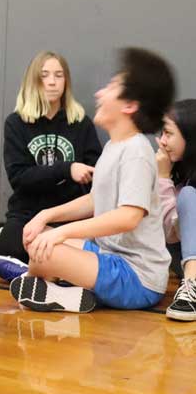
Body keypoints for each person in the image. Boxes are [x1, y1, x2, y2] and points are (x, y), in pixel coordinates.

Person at [9, 48, 174, 314]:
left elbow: (128, 217)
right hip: (109, 258)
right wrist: (45, 215)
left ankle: (49, 285)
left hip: (137, 278)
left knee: (48, 250)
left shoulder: (137, 151)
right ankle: (56, 287)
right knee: (37, 237)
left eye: (111, 87)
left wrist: (64, 232)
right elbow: (95, 200)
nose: (99, 93)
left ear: (129, 105)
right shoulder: (113, 147)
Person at [0, 51, 101, 282]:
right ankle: (32, 254)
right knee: (8, 248)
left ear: (66, 81)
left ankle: (36, 264)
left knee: (85, 256)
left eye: (58, 75)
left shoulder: (81, 123)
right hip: (28, 213)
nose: (52, 81)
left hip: (69, 215)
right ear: (33, 81)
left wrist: (87, 173)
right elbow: (19, 177)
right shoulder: (16, 123)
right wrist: (66, 169)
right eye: (45, 75)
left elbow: (96, 172)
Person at [156, 99, 196, 321]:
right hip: (182, 261)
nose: (162, 141)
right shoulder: (179, 175)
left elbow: (173, 233)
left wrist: (162, 178)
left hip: (188, 265)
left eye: (168, 134)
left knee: (188, 196)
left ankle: (191, 287)